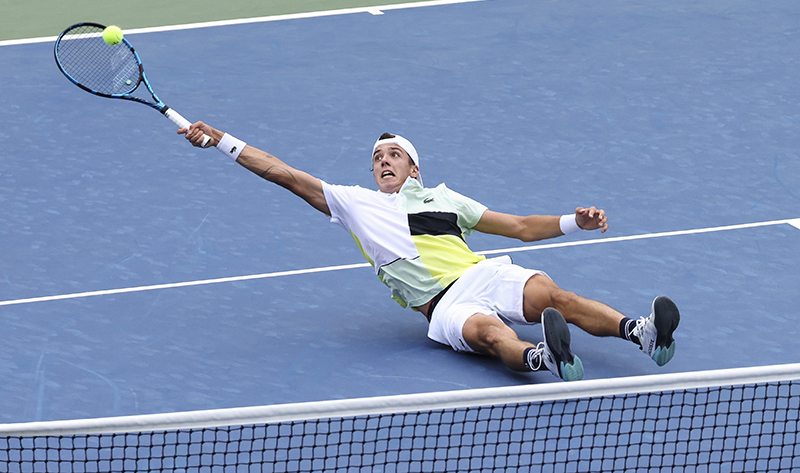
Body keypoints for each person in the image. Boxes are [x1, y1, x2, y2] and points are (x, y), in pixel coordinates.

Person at [180, 125, 680, 381]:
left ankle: (643, 333)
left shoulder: (446, 199)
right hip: (444, 307)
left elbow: (522, 228)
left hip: (482, 274)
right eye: (377, 158)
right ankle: (542, 357)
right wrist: (223, 141)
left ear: (413, 168)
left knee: (551, 294)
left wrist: (576, 223)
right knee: (489, 333)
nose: (382, 162)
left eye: (392, 154)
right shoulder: (355, 205)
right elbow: (283, 172)